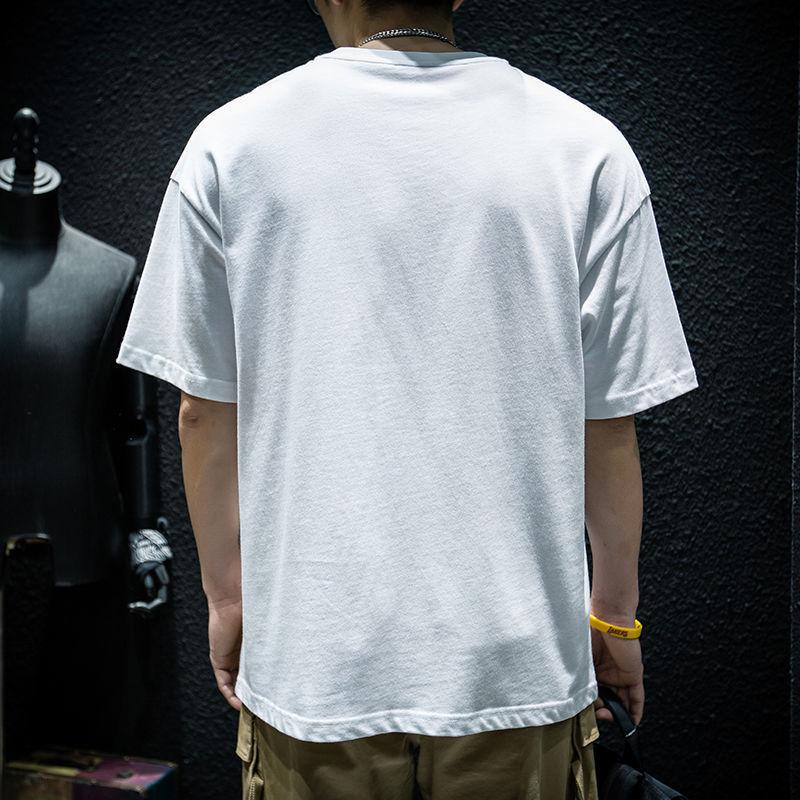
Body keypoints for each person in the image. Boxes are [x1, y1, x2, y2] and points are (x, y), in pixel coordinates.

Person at [115, 0, 699, 797]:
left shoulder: (232, 145)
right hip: (518, 667)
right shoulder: (584, 147)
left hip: (315, 663)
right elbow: (608, 425)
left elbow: (202, 413)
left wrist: (228, 601)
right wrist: (614, 618)